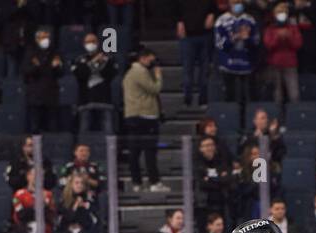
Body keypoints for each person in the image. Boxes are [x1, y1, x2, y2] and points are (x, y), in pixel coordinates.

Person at [122, 47, 167, 194]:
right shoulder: (140, 72)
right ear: (143, 58)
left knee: (134, 151)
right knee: (149, 151)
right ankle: (154, 182)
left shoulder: (128, 73)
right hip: (145, 116)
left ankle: (137, 182)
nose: (152, 62)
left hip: (133, 116)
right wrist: (158, 75)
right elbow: (155, 88)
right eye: (150, 59)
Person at [214, 2, 261, 103]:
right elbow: (219, 44)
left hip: (247, 64)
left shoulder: (250, 19)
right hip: (228, 64)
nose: (236, 4)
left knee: (248, 97)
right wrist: (233, 38)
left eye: (238, 2)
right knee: (230, 97)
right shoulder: (221, 20)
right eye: (234, 2)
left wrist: (247, 39)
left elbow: (256, 41)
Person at [73, 33, 119, 132]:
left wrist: (102, 63)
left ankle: (110, 147)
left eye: (93, 41)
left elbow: (110, 75)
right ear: (84, 44)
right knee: (84, 128)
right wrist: (93, 62)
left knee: (108, 128)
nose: (91, 44)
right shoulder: (79, 60)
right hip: (86, 100)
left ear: (98, 43)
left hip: (104, 99)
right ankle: (83, 146)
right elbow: (81, 75)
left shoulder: (108, 59)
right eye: (88, 42)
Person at [22, 27, 65, 133]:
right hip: (35, 95)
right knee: (35, 128)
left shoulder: (55, 53)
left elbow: (61, 73)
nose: (46, 40)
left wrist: (56, 67)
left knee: (52, 127)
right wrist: (37, 66)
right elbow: (26, 71)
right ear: (37, 39)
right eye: (43, 38)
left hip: (51, 96)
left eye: (47, 37)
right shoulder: (31, 53)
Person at [177, 0, 216, 107]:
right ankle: (187, 99)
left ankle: (203, 99)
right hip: (188, 35)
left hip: (205, 34)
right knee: (188, 69)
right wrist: (179, 21)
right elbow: (175, 6)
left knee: (205, 70)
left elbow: (214, 6)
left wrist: (212, 14)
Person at [262, 3, 302, 105]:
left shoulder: (293, 28)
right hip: (275, 64)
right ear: (275, 14)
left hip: (290, 64)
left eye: (284, 12)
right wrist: (277, 37)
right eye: (280, 12)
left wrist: (288, 37)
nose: (282, 14)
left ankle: (294, 116)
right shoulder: (270, 29)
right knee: (277, 95)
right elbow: (268, 46)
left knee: (294, 94)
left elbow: (298, 44)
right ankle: (277, 118)